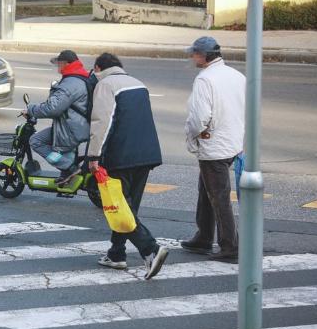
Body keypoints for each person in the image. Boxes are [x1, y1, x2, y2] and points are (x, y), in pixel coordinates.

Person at [87, 53, 168, 280]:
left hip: (121, 155)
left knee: (120, 208)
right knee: (127, 207)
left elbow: (102, 122)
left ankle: (151, 249)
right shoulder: (138, 84)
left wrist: (93, 156)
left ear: (98, 68)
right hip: (146, 154)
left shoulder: (105, 85)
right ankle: (116, 254)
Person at [182, 37, 246, 261]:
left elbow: (199, 118)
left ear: (203, 55)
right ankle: (203, 237)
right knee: (206, 190)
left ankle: (230, 247)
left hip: (214, 144)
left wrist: (192, 136)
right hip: (233, 142)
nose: (192, 57)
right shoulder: (237, 75)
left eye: (194, 53)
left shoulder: (205, 80)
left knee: (218, 197)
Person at [22, 50, 91, 185]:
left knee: (36, 141)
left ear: (65, 64)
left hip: (72, 130)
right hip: (79, 125)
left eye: (59, 63)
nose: (58, 67)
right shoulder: (81, 76)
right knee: (56, 141)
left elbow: (52, 108)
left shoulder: (70, 83)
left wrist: (31, 109)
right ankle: (66, 173)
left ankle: (69, 168)